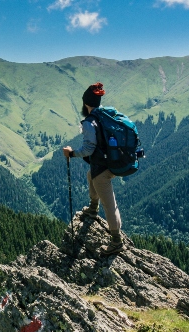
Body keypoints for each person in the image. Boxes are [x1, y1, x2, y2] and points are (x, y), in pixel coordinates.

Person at [63, 82, 125, 255]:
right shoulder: (106, 115)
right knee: (91, 175)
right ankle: (92, 208)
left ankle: (116, 241)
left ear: (86, 104)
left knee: (109, 204)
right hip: (113, 161)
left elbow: (89, 149)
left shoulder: (90, 122)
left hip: (103, 169)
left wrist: (72, 153)